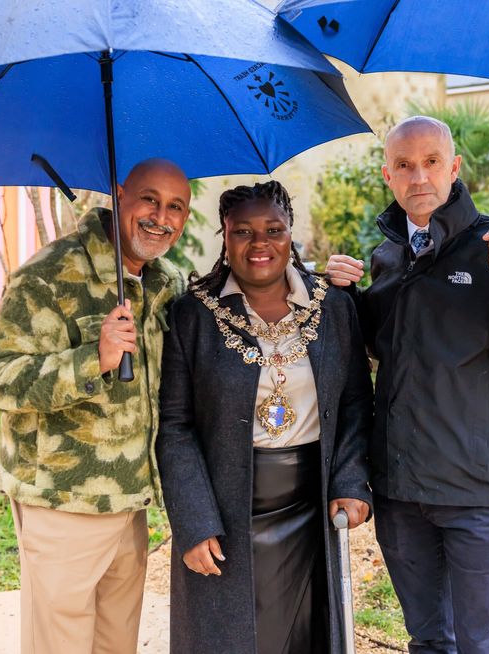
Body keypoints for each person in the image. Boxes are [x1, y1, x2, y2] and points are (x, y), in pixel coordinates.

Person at [326, 116, 489, 654]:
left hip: (477, 492)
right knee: (428, 639)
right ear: (388, 174)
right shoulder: (388, 256)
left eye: (430, 162)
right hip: (401, 490)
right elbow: (384, 348)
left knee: (480, 645)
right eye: (404, 164)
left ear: (454, 168)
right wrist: (346, 298)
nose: (418, 176)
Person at [0, 159, 191, 654]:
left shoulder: (166, 283)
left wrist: (309, 279)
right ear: (118, 193)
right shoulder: (48, 277)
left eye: (176, 205)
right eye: (149, 199)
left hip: (131, 501)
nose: (162, 216)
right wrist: (93, 359)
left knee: (117, 644)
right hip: (61, 502)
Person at [157, 180, 373, 654]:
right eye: (243, 232)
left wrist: (351, 482)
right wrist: (194, 522)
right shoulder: (193, 315)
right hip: (227, 508)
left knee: (308, 635)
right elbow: (175, 427)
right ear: (225, 236)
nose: (260, 244)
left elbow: (357, 402)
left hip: (311, 506)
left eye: (274, 229)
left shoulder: (333, 307)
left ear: (290, 234)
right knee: (227, 638)